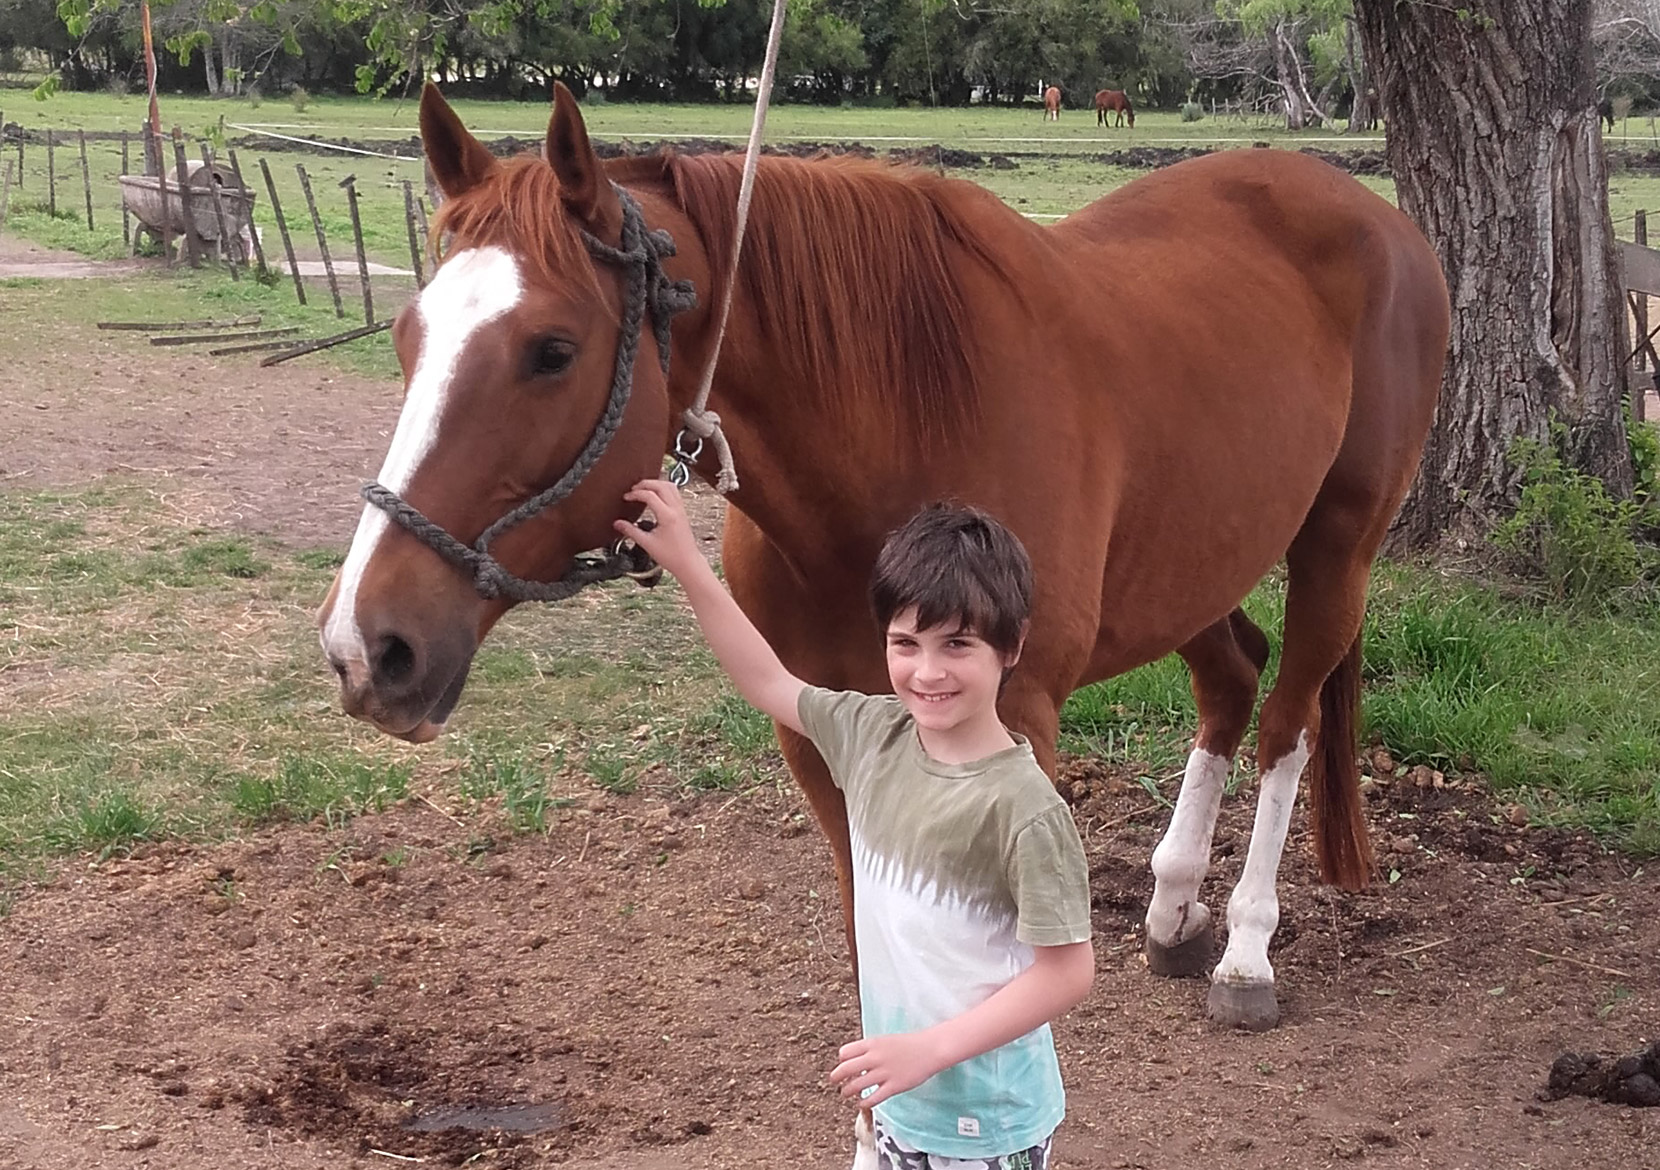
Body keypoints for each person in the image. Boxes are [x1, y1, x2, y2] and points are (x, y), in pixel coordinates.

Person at [615, 481, 1095, 1170]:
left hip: (986, 1125)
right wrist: (690, 562)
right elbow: (769, 682)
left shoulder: (1022, 808)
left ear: (1011, 645)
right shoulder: (871, 735)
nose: (927, 672)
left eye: (957, 644)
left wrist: (931, 1049)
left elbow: (1068, 972)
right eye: (906, 643)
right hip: (901, 1095)